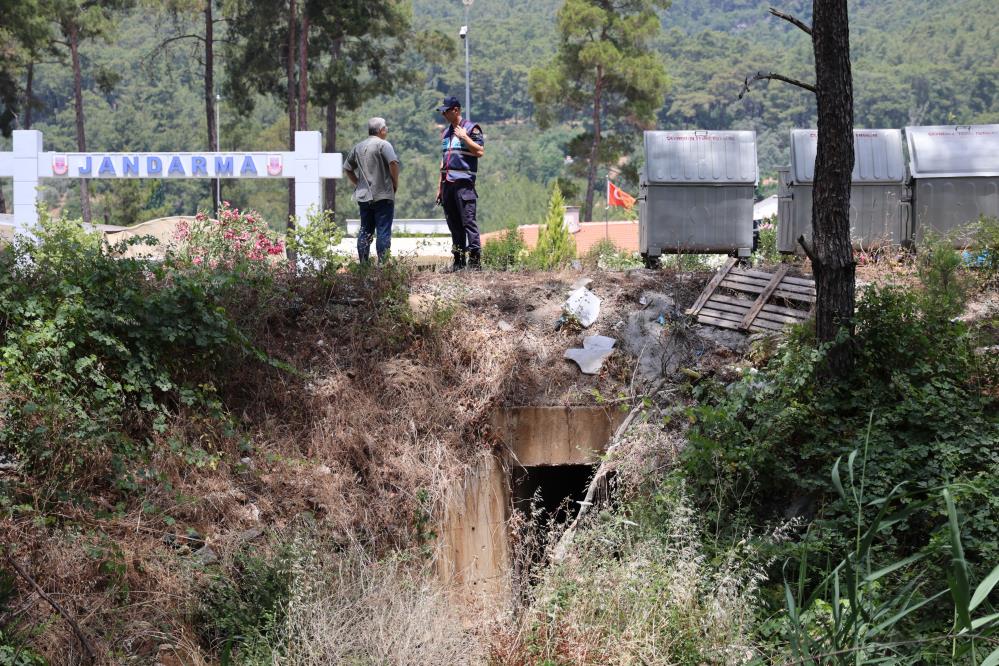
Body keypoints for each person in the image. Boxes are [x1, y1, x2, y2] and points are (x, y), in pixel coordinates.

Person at [435, 96, 485, 271]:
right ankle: (458, 262)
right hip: (448, 185)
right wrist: (440, 188)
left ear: (455, 110)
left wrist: (465, 138)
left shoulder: (471, 129)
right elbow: (443, 162)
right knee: (454, 225)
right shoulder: (446, 132)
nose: (443, 114)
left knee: (468, 223)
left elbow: (480, 151)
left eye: (446, 111)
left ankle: (475, 263)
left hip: (464, 185)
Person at [343, 117, 399, 264]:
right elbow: (393, 163)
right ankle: (382, 264)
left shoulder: (358, 147)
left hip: (364, 197)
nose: (386, 130)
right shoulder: (384, 145)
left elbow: (347, 168)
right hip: (383, 195)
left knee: (365, 231)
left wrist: (358, 183)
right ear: (381, 130)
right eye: (385, 128)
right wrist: (395, 183)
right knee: (383, 232)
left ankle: (363, 265)